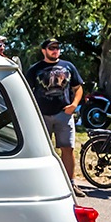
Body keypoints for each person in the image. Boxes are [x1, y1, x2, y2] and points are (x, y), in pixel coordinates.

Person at [25, 38, 85, 196]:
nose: (55, 50)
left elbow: (78, 88)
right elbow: (26, 90)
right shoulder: (35, 69)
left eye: (57, 48)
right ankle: (40, 185)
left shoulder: (68, 66)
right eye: (51, 48)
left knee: (68, 148)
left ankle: (71, 184)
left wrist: (74, 104)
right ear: (43, 50)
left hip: (63, 114)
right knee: (40, 150)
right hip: (41, 115)